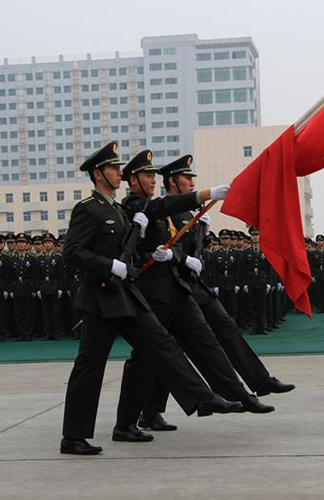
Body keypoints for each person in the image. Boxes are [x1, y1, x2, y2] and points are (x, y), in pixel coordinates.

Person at [61, 142, 242, 456]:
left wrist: (206, 194)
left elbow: (160, 208)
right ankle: (74, 437)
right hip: (98, 300)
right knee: (90, 367)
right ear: (98, 173)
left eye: (119, 168)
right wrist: (110, 265)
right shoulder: (87, 208)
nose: (119, 173)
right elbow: (73, 252)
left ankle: (202, 397)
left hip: (124, 295)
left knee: (161, 343)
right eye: (114, 168)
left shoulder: (118, 210)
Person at [135, 156, 294, 432]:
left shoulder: (188, 213)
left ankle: (256, 382)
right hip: (171, 287)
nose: (192, 182)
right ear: (172, 181)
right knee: (163, 353)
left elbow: (193, 250)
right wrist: (182, 256)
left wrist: (202, 235)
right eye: (188, 178)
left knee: (223, 328)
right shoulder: (165, 208)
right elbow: (161, 247)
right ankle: (149, 412)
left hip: (191, 285)